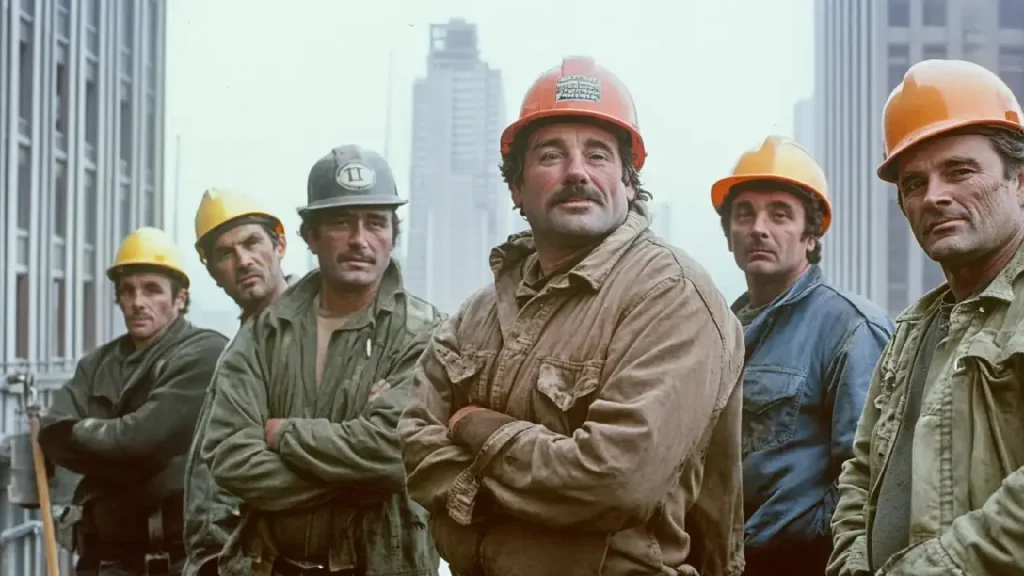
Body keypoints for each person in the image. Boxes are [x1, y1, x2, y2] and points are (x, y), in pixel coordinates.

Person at [398, 56, 746, 576]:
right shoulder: (478, 312)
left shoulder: (672, 296)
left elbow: (616, 480)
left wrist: (480, 432)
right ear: (516, 189)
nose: (577, 171)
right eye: (550, 155)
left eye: (599, 155)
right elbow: (415, 441)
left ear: (629, 183)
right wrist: (528, 487)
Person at [200, 145, 444, 576]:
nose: (359, 240)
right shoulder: (263, 336)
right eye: (340, 222)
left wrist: (284, 434)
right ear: (309, 236)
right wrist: (356, 479)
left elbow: (395, 453)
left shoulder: (424, 333)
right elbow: (230, 458)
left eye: (375, 223)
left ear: (393, 235)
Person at [828, 59, 1024, 575]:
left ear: (1020, 181)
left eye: (959, 171)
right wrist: (852, 562)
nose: (933, 196)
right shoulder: (913, 329)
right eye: (914, 183)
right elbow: (861, 469)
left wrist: (927, 568)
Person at [711, 136, 893, 575]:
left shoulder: (850, 327)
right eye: (744, 214)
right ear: (730, 236)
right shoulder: (719, 330)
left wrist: (802, 537)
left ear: (811, 237)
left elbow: (870, 475)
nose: (759, 227)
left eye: (779, 214)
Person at [38, 226, 228, 576]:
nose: (137, 301)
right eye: (127, 291)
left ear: (180, 299)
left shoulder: (204, 352)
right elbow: (51, 432)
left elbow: (144, 439)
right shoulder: (97, 363)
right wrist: (118, 448)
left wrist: (86, 440)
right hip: (101, 559)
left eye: (152, 290)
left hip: (172, 561)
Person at [183, 188, 293, 576]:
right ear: (213, 273)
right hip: (224, 559)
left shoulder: (309, 335)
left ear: (279, 245)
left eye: (252, 243)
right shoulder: (243, 341)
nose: (243, 261)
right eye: (225, 254)